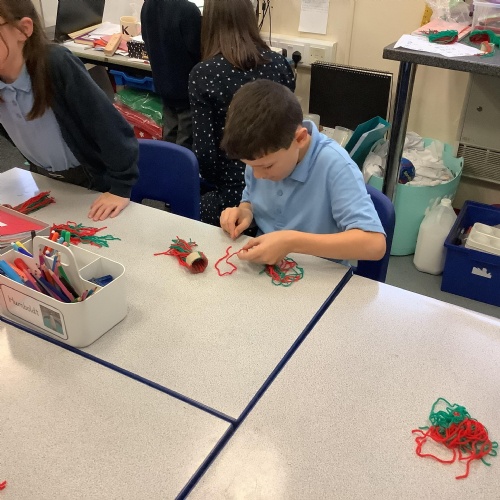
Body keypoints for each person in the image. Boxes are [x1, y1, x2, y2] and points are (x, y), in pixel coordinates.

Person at [219, 80, 387, 266]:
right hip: (267, 266)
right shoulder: (261, 156)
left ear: (299, 139)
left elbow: (374, 244)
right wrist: (245, 211)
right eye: (251, 166)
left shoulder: (335, 166)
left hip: (318, 273)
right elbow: (251, 198)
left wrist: (291, 242)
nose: (257, 175)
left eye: (267, 167)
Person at [0, 0, 139, 221]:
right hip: (44, 176)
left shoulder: (56, 64)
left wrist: (120, 187)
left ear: (23, 29)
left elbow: (109, 127)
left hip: (90, 177)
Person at [188, 0, 295, 226]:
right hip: (280, 187)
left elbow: (205, 153)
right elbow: (289, 132)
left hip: (231, 190)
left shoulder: (204, 74)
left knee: (189, 216)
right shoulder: (279, 65)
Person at [141, 0, 201, 149]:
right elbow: (197, 50)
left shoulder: (148, 5)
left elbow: (145, 38)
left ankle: (168, 161)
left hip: (164, 82)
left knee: (169, 136)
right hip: (187, 88)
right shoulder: (188, 10)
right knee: (185, 142)